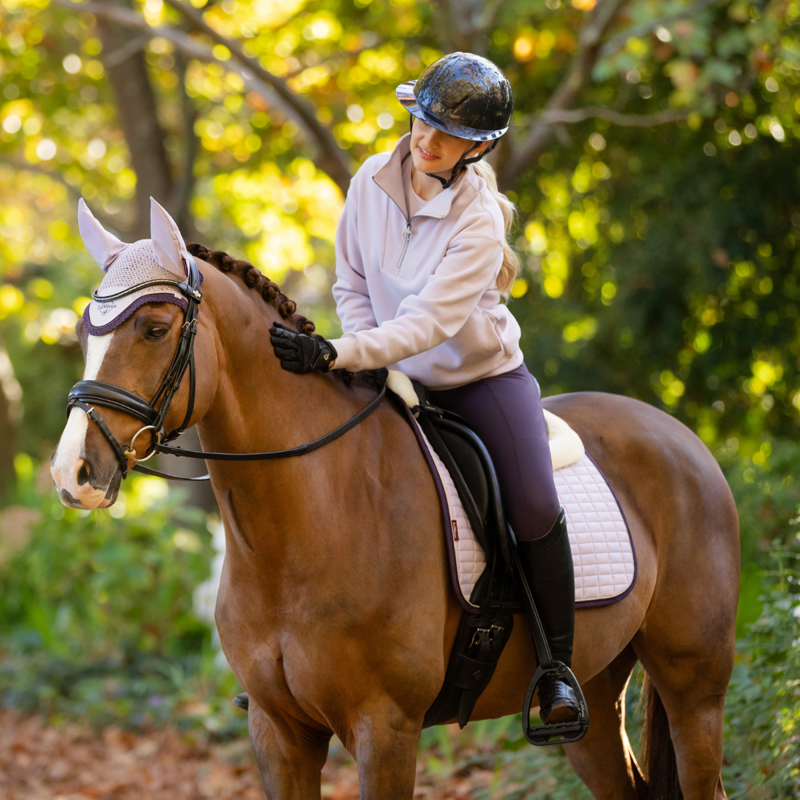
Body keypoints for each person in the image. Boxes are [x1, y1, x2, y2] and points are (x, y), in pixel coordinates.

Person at [270, 52, 580, 724]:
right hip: (386, 368)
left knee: (530, 503)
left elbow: (430, 323)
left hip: (479, 382)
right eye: (421, 121)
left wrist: (337, 352)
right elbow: (351, 284)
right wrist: (357, 356)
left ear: (479, 148)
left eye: (446, 135)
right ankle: (296, 662)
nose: (425, 140)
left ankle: (558, 668)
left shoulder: (480, 220)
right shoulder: (369, 182)